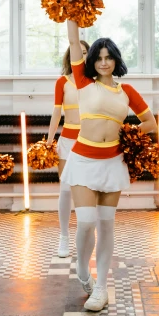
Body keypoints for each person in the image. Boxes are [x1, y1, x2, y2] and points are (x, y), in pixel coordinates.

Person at [62, 0, 156, 311]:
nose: (103, 62)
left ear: (116, 60)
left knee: (106, 225)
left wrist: (128, 134)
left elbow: (150, 124)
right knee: (86, 222)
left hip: (113, 163)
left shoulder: (126, 90)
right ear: (92, 61)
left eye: (108, 57)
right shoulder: (82, 83)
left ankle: (101, 286)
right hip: (83, 161)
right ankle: (81, 268)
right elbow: (74, 40)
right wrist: (72, 3)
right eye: (98, 57)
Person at [47, 41, 90, 258]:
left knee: (88, 189)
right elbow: (56, 113)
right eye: (77, 53)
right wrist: (49, 140)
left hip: (89, 141)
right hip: (67, 140)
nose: (81, 56)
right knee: (65, 189)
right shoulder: (62, 82)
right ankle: (64, 236)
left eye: (85, 53)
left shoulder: (94, 81)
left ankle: (86, 234)